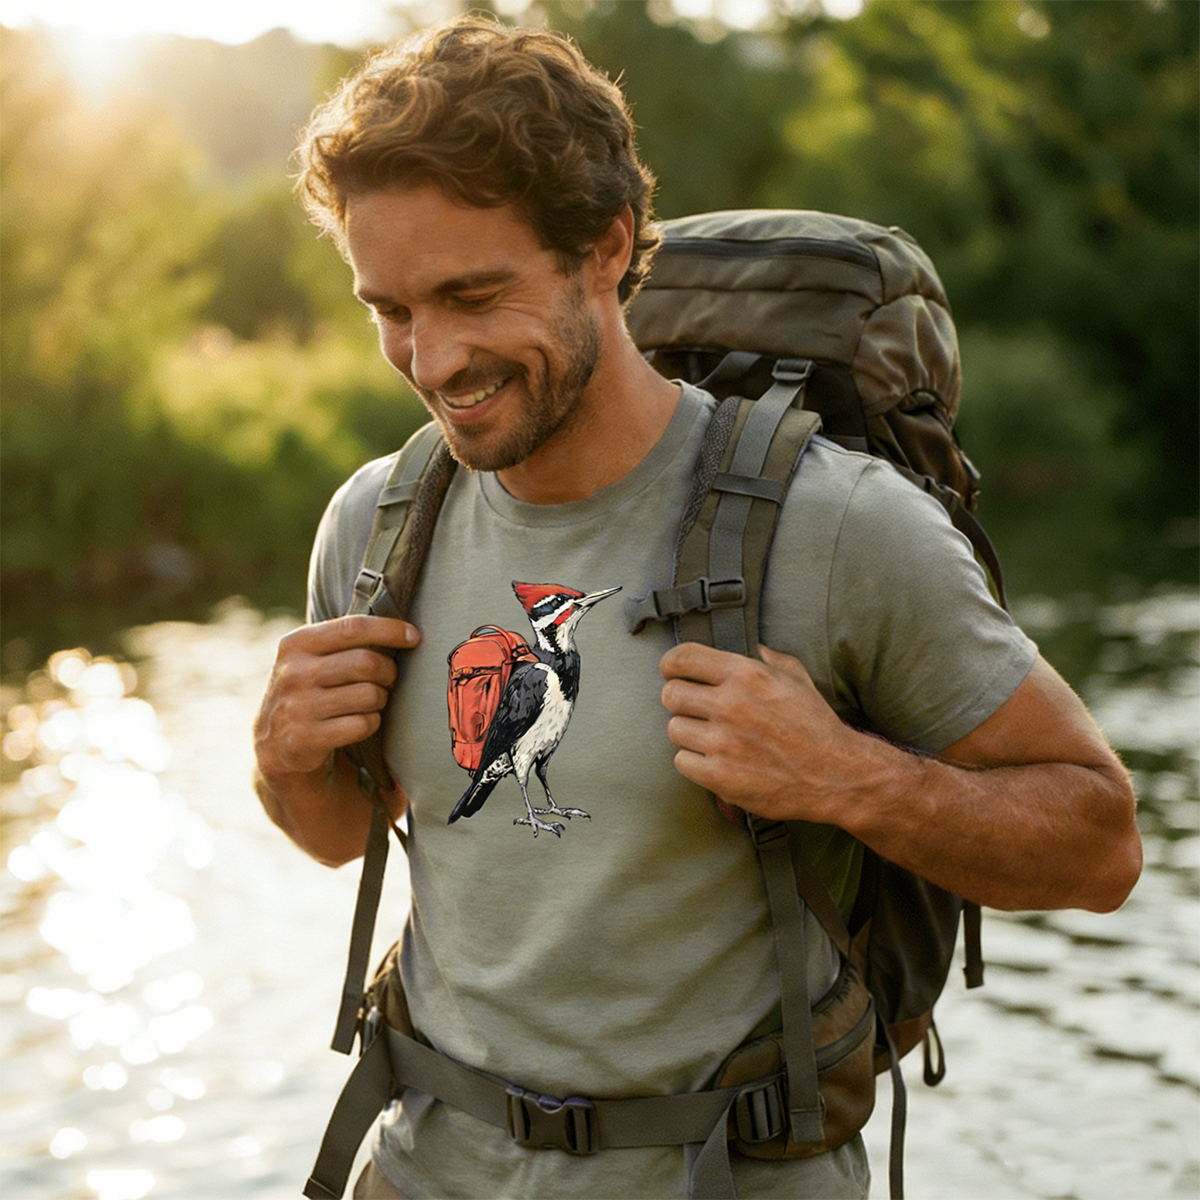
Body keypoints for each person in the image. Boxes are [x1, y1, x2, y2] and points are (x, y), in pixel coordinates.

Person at [252, 15, 1142, 1199]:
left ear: (606, 248)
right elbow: (338, 835)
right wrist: (281, 762)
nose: (431, 357)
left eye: (473, 294)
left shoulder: (839, 529)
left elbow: (1101, 843)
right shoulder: (375, 525)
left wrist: (849, 778)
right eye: (391, 307)